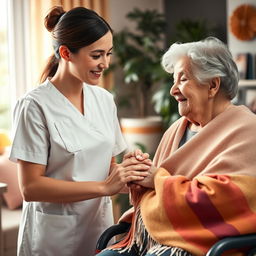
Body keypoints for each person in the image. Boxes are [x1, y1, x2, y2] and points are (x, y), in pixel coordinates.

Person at [9, 6, 151, 256]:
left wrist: (129, 173)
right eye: (96, 55)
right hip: (53, 237)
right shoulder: (34, 106)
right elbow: (30, 188)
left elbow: (107, 170)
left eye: (108, 54)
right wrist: (103, 187)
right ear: (66, 53)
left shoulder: (105, 100)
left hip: (98, 228)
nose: (105, 64)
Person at [97, 37, 256, 256]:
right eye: (174, 80)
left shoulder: (247, 130)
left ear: (212, 85)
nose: (173, 90)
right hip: (151, 239)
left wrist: (156, 179)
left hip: (202, 246)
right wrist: (138, 172)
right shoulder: (177, 129)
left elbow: (223, 200)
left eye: (182, 79)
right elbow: (156, 187)